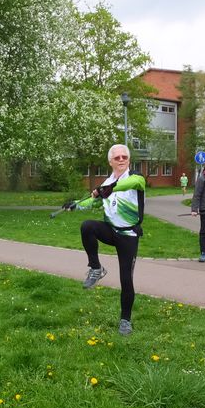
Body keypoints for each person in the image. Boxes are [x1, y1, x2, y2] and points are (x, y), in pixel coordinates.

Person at [63, 144, 145, 336]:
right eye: (117, 157)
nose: (121, 160)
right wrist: (75, 205)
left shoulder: (136, 178)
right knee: (87, 226)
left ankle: (125, 321)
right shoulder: (107, 182)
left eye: (125, 157)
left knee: (126, 280)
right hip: (110, 230)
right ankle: (96, 268)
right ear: (110, 162)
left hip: (128, 236)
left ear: (129, 160)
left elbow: (128, 184)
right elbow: (92, 201)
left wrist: (106, 189)